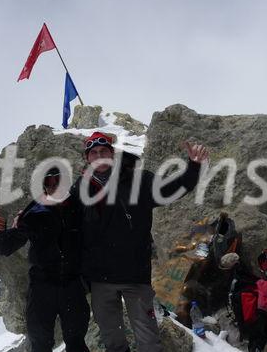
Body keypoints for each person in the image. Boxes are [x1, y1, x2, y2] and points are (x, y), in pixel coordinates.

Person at [72, 132, 209, 352]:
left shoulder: (139, 180)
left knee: (148, 340)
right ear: (88, 158)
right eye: (94, 153)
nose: (99, 156)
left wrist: (193, 168)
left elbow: (169, 190)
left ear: (112, 154)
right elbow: (68, 228)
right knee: (112, 340)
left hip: (135, 275)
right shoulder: (79, 189)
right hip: (100, 279)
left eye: (104, 151)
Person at [0, 168, 90, 352]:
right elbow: (5, 246)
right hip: (42, 288)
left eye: (58, 181)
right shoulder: (35, 211)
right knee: (40, 344)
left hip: (73, 286)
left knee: (76, 343)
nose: (53, 186)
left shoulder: (78, 207)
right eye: (48, 183)